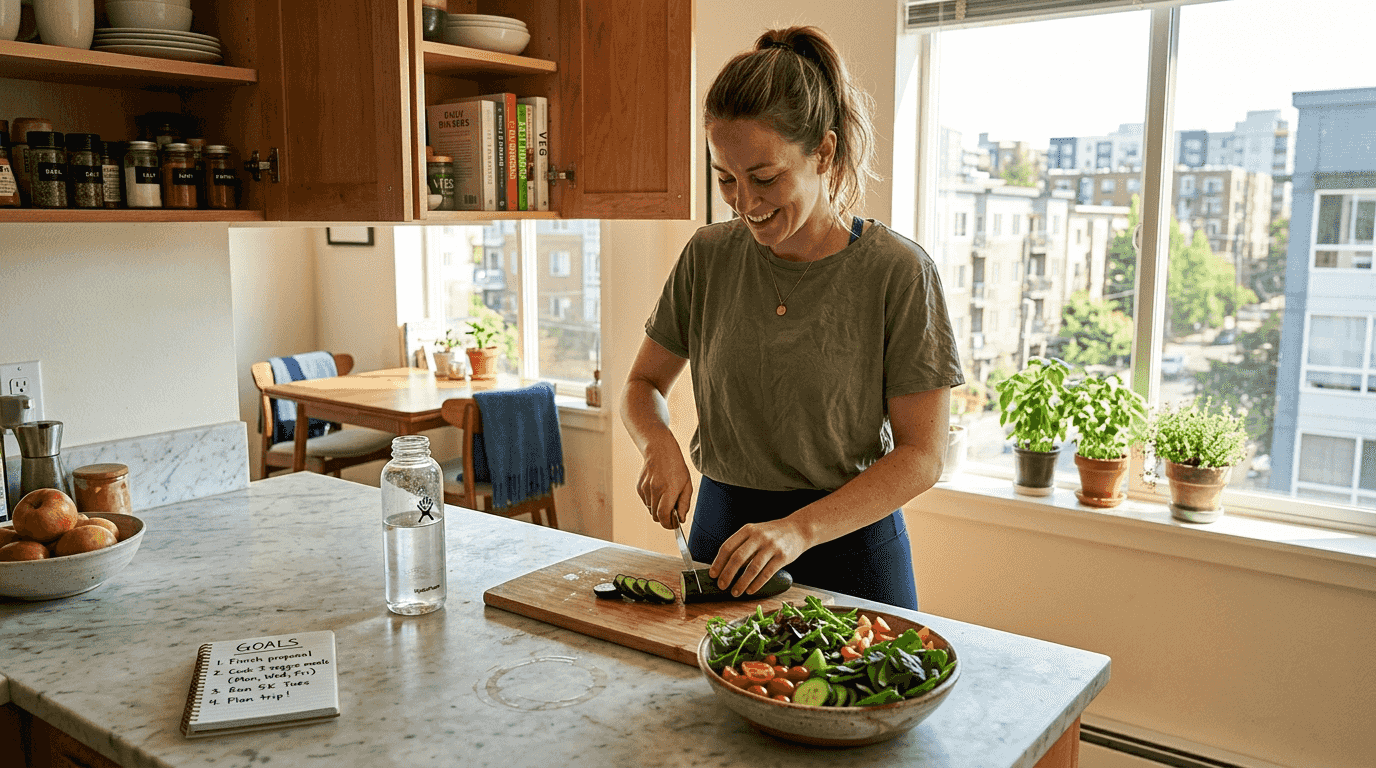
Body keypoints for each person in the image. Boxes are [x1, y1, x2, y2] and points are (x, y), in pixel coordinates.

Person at [620, 25, 963, 610]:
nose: (745, 203)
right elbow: (642, 384)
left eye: (765, 177)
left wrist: (798, 529)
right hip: (721, 544)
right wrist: (658, 444)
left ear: (823, 153)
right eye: (725, 179)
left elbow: (922, 456)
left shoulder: (899, 272)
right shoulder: (708, 256)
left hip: (850, 551)